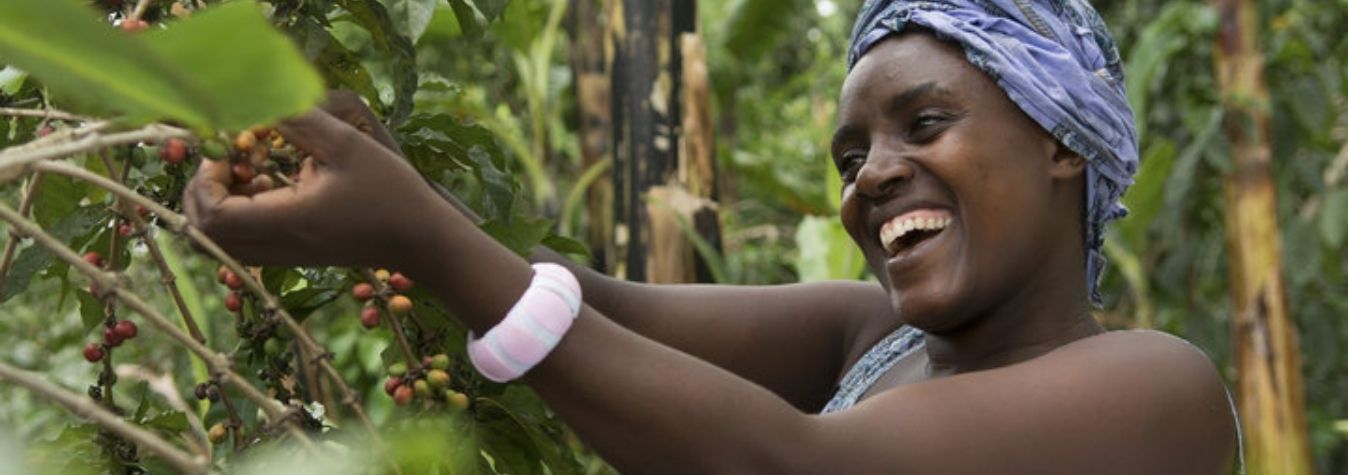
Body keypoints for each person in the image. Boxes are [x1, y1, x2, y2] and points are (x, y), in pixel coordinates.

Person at [184, 0, 1240, 472]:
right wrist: (394, 196)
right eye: (850, 155)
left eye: (924, 124)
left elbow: (785, 466)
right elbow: (603, 304)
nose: (871, 175)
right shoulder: (867, 336)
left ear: (1062, 145)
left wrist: (416, 229)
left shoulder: (1150, 391)